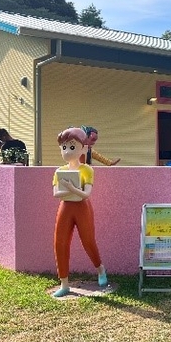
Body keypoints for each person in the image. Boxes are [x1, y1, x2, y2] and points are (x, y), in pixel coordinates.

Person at [51, 126, 108, 297]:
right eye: (64, 147)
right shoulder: (59, 171)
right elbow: (56, 194)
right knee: (60, 243)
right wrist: (70, 189)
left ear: (83, 147)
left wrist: (71, 188)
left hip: (82, 207)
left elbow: (86, 194)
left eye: (72, 147)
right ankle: (64, 283)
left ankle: (100, 270)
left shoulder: (87, 170)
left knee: (88, 241)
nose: (67, 151)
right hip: (65, 207)